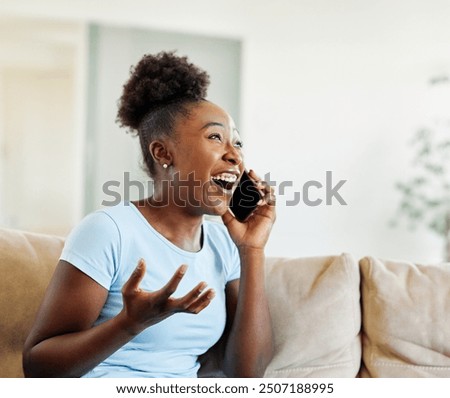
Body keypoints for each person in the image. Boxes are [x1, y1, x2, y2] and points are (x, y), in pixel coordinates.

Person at [23, 51, 276, 378]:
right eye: (216, 136)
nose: (235, 155)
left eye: (237, 142)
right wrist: (129, 324)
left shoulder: (224, 244)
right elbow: (38, 367)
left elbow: (248, 376)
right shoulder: (109, 230)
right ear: (162, 153)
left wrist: (252, 251)